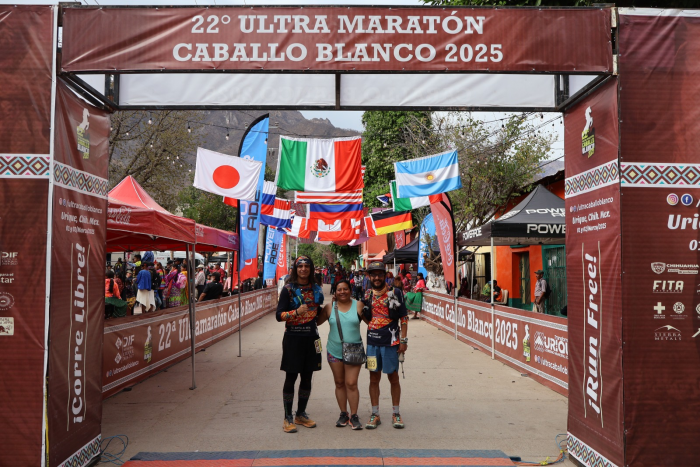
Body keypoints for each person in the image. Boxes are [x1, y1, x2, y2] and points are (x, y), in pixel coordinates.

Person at [276, 255, 324, 433]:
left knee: (307, 377)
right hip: (293, 338)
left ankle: (300, 414)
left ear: (311, 269)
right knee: (291, 377)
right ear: (295, 269)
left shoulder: (316, 289)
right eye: (300, 266)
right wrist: (295, 312)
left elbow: (318, 315)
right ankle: (287, 417)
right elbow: (278, 315)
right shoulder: (288, 289)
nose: (303, 269)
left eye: (306, 266)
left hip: (311, 338)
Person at [362, 261, 408, 430]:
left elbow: (404, 317)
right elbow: (365, 316)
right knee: (373, 379)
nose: (376, 278)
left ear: (385, 275)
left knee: (393, 378)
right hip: (373, 343)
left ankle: (396, 413)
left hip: (391, 343)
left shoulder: (395, 293)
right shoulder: (367, 294)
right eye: (373, 274)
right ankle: (375, 414)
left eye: (379, 274)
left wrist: (403, 341)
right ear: (369, 276)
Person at [316, 279, 367, 430]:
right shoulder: (329, 307)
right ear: (335, 292)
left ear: (350, 290)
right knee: (339, 383)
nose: (342, 292)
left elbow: (372, 323)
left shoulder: (359, 305)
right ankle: (343, 413)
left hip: (354, 350)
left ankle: (354, 415)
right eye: (339, 289)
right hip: (334, 350)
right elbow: (316, 322)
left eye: (345, 289)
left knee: (351, 383)